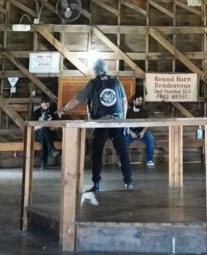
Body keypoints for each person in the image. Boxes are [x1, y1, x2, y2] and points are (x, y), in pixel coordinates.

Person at [60, 58, 132, 191]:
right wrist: (123, 119)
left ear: (95, 71)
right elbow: (124, 102)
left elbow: (77, 100)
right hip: (117, 122)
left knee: (97, 153)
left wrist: (64, 110)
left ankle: (96, 183)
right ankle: (128, 182)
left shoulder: (93, 84)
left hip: (100, 123)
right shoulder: (116, 81)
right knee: (123, 152)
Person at [124, 94, 155, 167]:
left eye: (141, 101)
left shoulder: (144, 112)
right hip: (131, 132)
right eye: (138, 100)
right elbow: (125, 124)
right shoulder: (128, 112)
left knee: (150, 137)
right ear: (134, 101)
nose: (140, 102)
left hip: (142, 132)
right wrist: (131, 133)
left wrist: (143, 132)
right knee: (123, 139)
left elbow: (147, 123)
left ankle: (149, 160)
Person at [33, 98, 61, 170]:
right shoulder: (36, 112)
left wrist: (47, 127)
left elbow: (56, 127)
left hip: (51, 133)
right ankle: (51, 149)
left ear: (49, 104)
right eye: (44, 105)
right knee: (43, 131)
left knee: (44, 134)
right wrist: (41, 126)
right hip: (38, 134)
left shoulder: (53, 112)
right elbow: (33, 128)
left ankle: (43, 163)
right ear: (41, 104)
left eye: (47, 104)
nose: (45, 106)